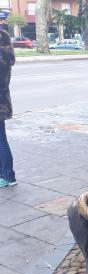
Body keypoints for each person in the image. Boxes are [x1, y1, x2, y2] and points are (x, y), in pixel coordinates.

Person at [0, 30, 16, 188]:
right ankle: (5, 174)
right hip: (3, 102)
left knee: (1, 141)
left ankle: (8, 176)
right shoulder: (6, 56)